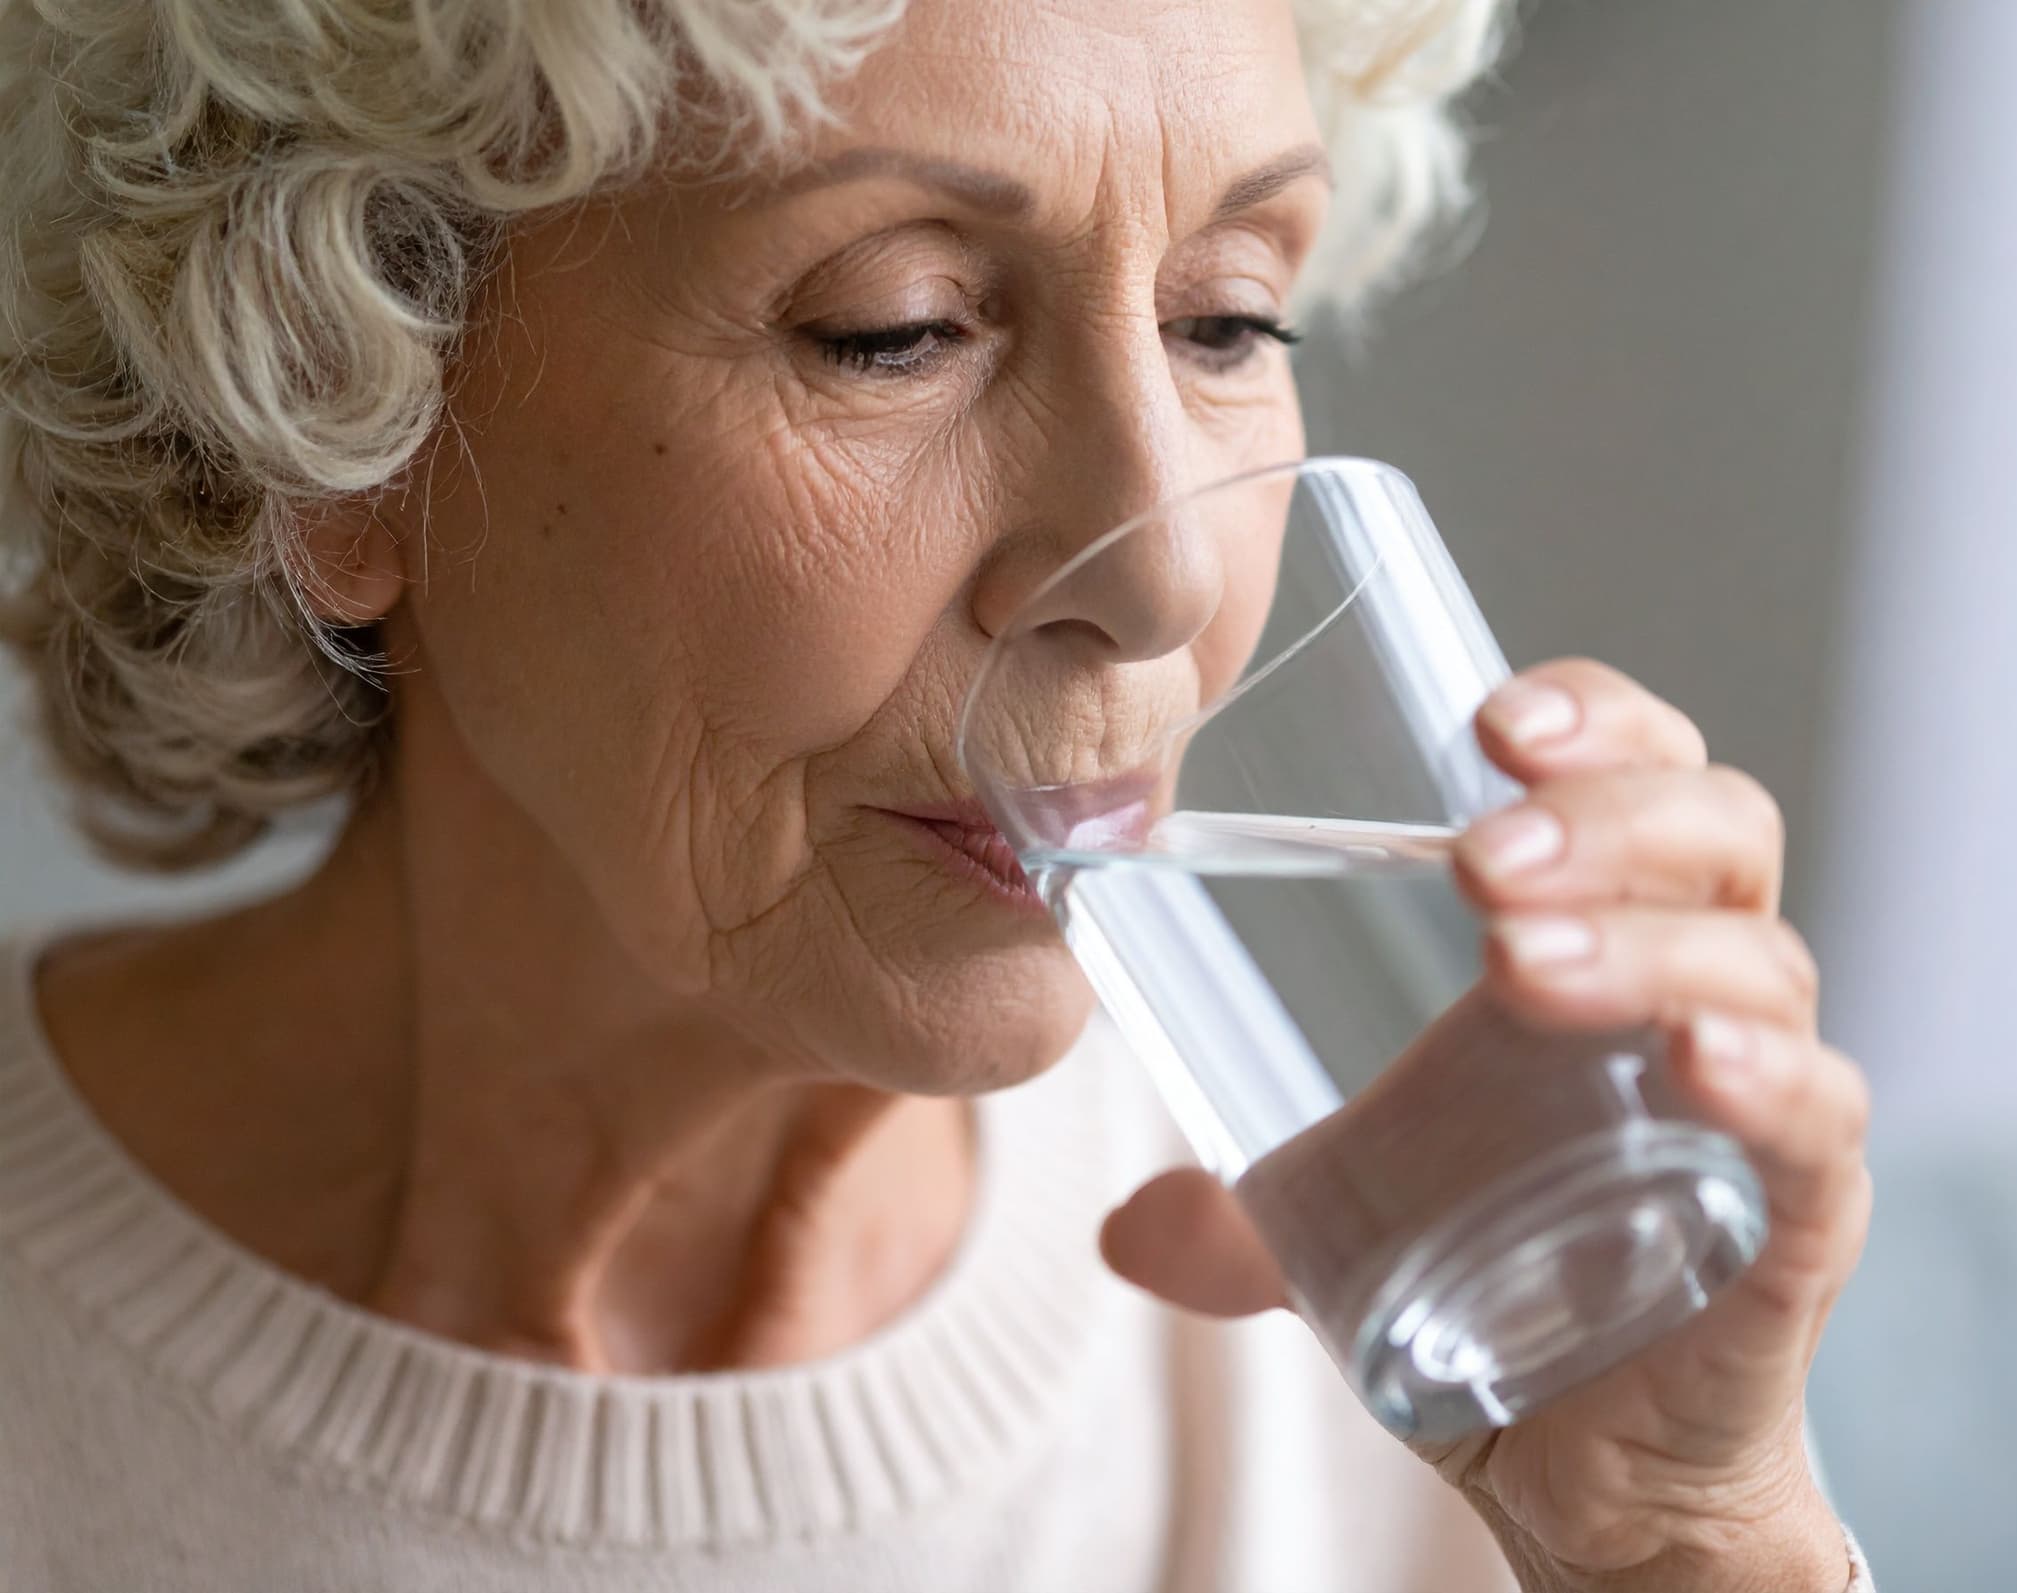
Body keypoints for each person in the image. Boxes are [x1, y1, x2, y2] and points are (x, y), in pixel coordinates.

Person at [0, 0, 1874, 1588]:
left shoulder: (1418, 1289)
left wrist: (1694, 1542)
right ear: (334, 415)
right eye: (894, 328)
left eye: (1226, 321)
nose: (1164, 582)